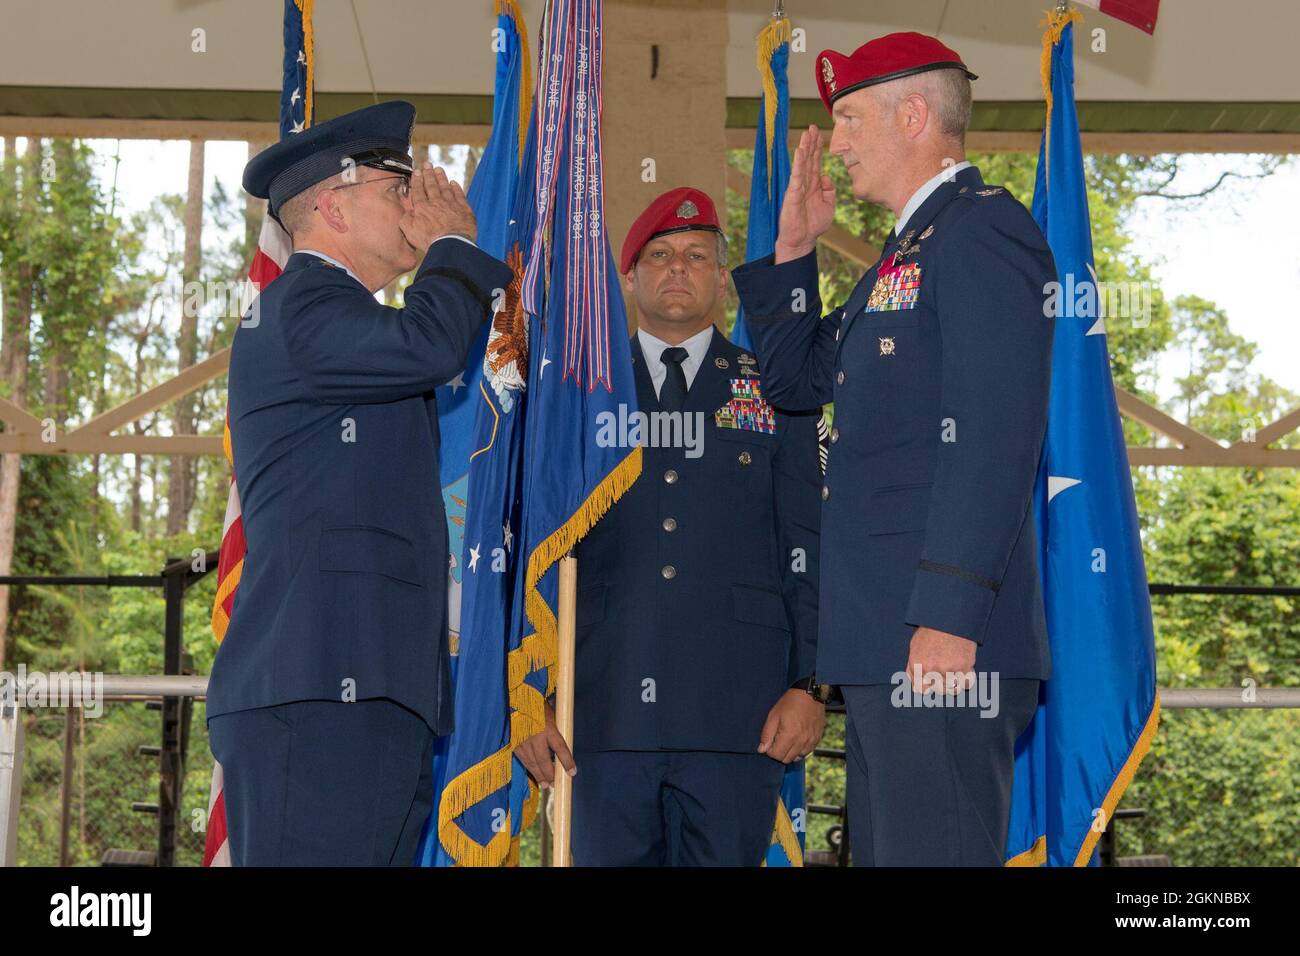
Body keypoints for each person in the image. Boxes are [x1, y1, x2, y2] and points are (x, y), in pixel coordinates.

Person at [730, 33, 1057, 866]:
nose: (834, 143)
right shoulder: (903, 257)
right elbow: (797, 384)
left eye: (848, 118)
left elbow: (993, 436)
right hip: (884, 640)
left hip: (942, 643)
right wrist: (795, 253)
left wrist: (947, 621)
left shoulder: (983, 233)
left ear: (914, 116)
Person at [206, 101, 513, 865]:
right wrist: (453, 246)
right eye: (395, 187)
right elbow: (432, 345)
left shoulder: (343, 320)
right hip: (317, 690)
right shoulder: (305, 304)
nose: (415, 204)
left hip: (365, 686)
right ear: (333, 206)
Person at [516, 187, 827, 866]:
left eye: (695, 256)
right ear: (628, 279)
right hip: (599, 714)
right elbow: (532, 548)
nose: (678, 268)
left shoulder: (775, 393)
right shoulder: (577, 396)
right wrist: (528, 697)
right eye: (659, 256)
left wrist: (809, 686)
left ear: (722, 278)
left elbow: (806, 545)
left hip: (740, 717)